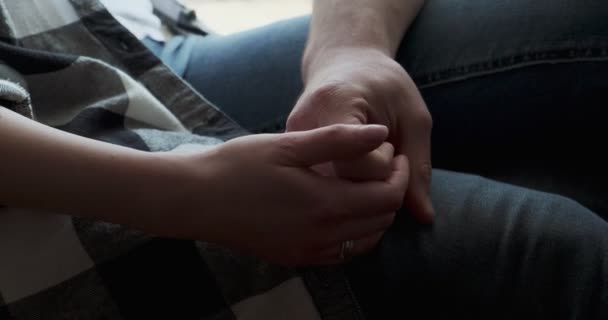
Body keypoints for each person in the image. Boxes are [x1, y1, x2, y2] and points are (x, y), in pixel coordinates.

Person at [0, 1, 606, 320]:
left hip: (107, 43)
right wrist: (183, 194)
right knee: (551, 256)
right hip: (43, 154)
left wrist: (350, 49)